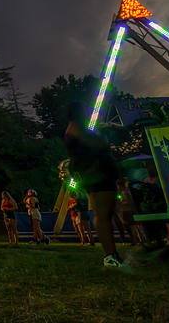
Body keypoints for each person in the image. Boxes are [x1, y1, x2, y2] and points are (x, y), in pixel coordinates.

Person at [64, 102, 124, 267]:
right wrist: (103, 131)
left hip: (99, 174)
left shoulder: (78, 128)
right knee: (102, 215)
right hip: (96, 175)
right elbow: (99, 144)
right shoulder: (76, 129)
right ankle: (110, 256)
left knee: (106, 213)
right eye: (85, 109)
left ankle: (113, 254)